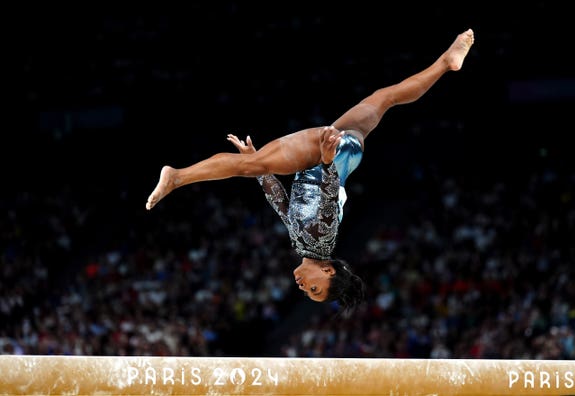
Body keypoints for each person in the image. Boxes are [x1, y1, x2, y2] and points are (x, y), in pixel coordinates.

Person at [145, 28, 475, 314]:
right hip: (323, 159)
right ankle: (177, 177)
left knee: (384, 98)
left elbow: (285, 208)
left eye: (307, 293)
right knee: (251, 165)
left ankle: (445, 63)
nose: (304, 287)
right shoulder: (323, 239)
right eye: (314, 289)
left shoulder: (306, 244)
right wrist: (326, 161)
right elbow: (329, 200)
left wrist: (263, 172)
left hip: (346, 155)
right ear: (329, 272)